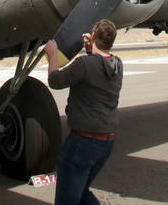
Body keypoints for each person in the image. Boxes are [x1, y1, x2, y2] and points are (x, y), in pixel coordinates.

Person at [44, 19, 123, 205]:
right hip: (106, 142)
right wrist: (90, 50)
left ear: (93, 36)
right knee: (82, 193)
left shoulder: (84, 65)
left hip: (82, 143)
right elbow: (97, 68)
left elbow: (55, 81)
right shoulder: (117, 64)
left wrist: (53, 54)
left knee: (67, 200)